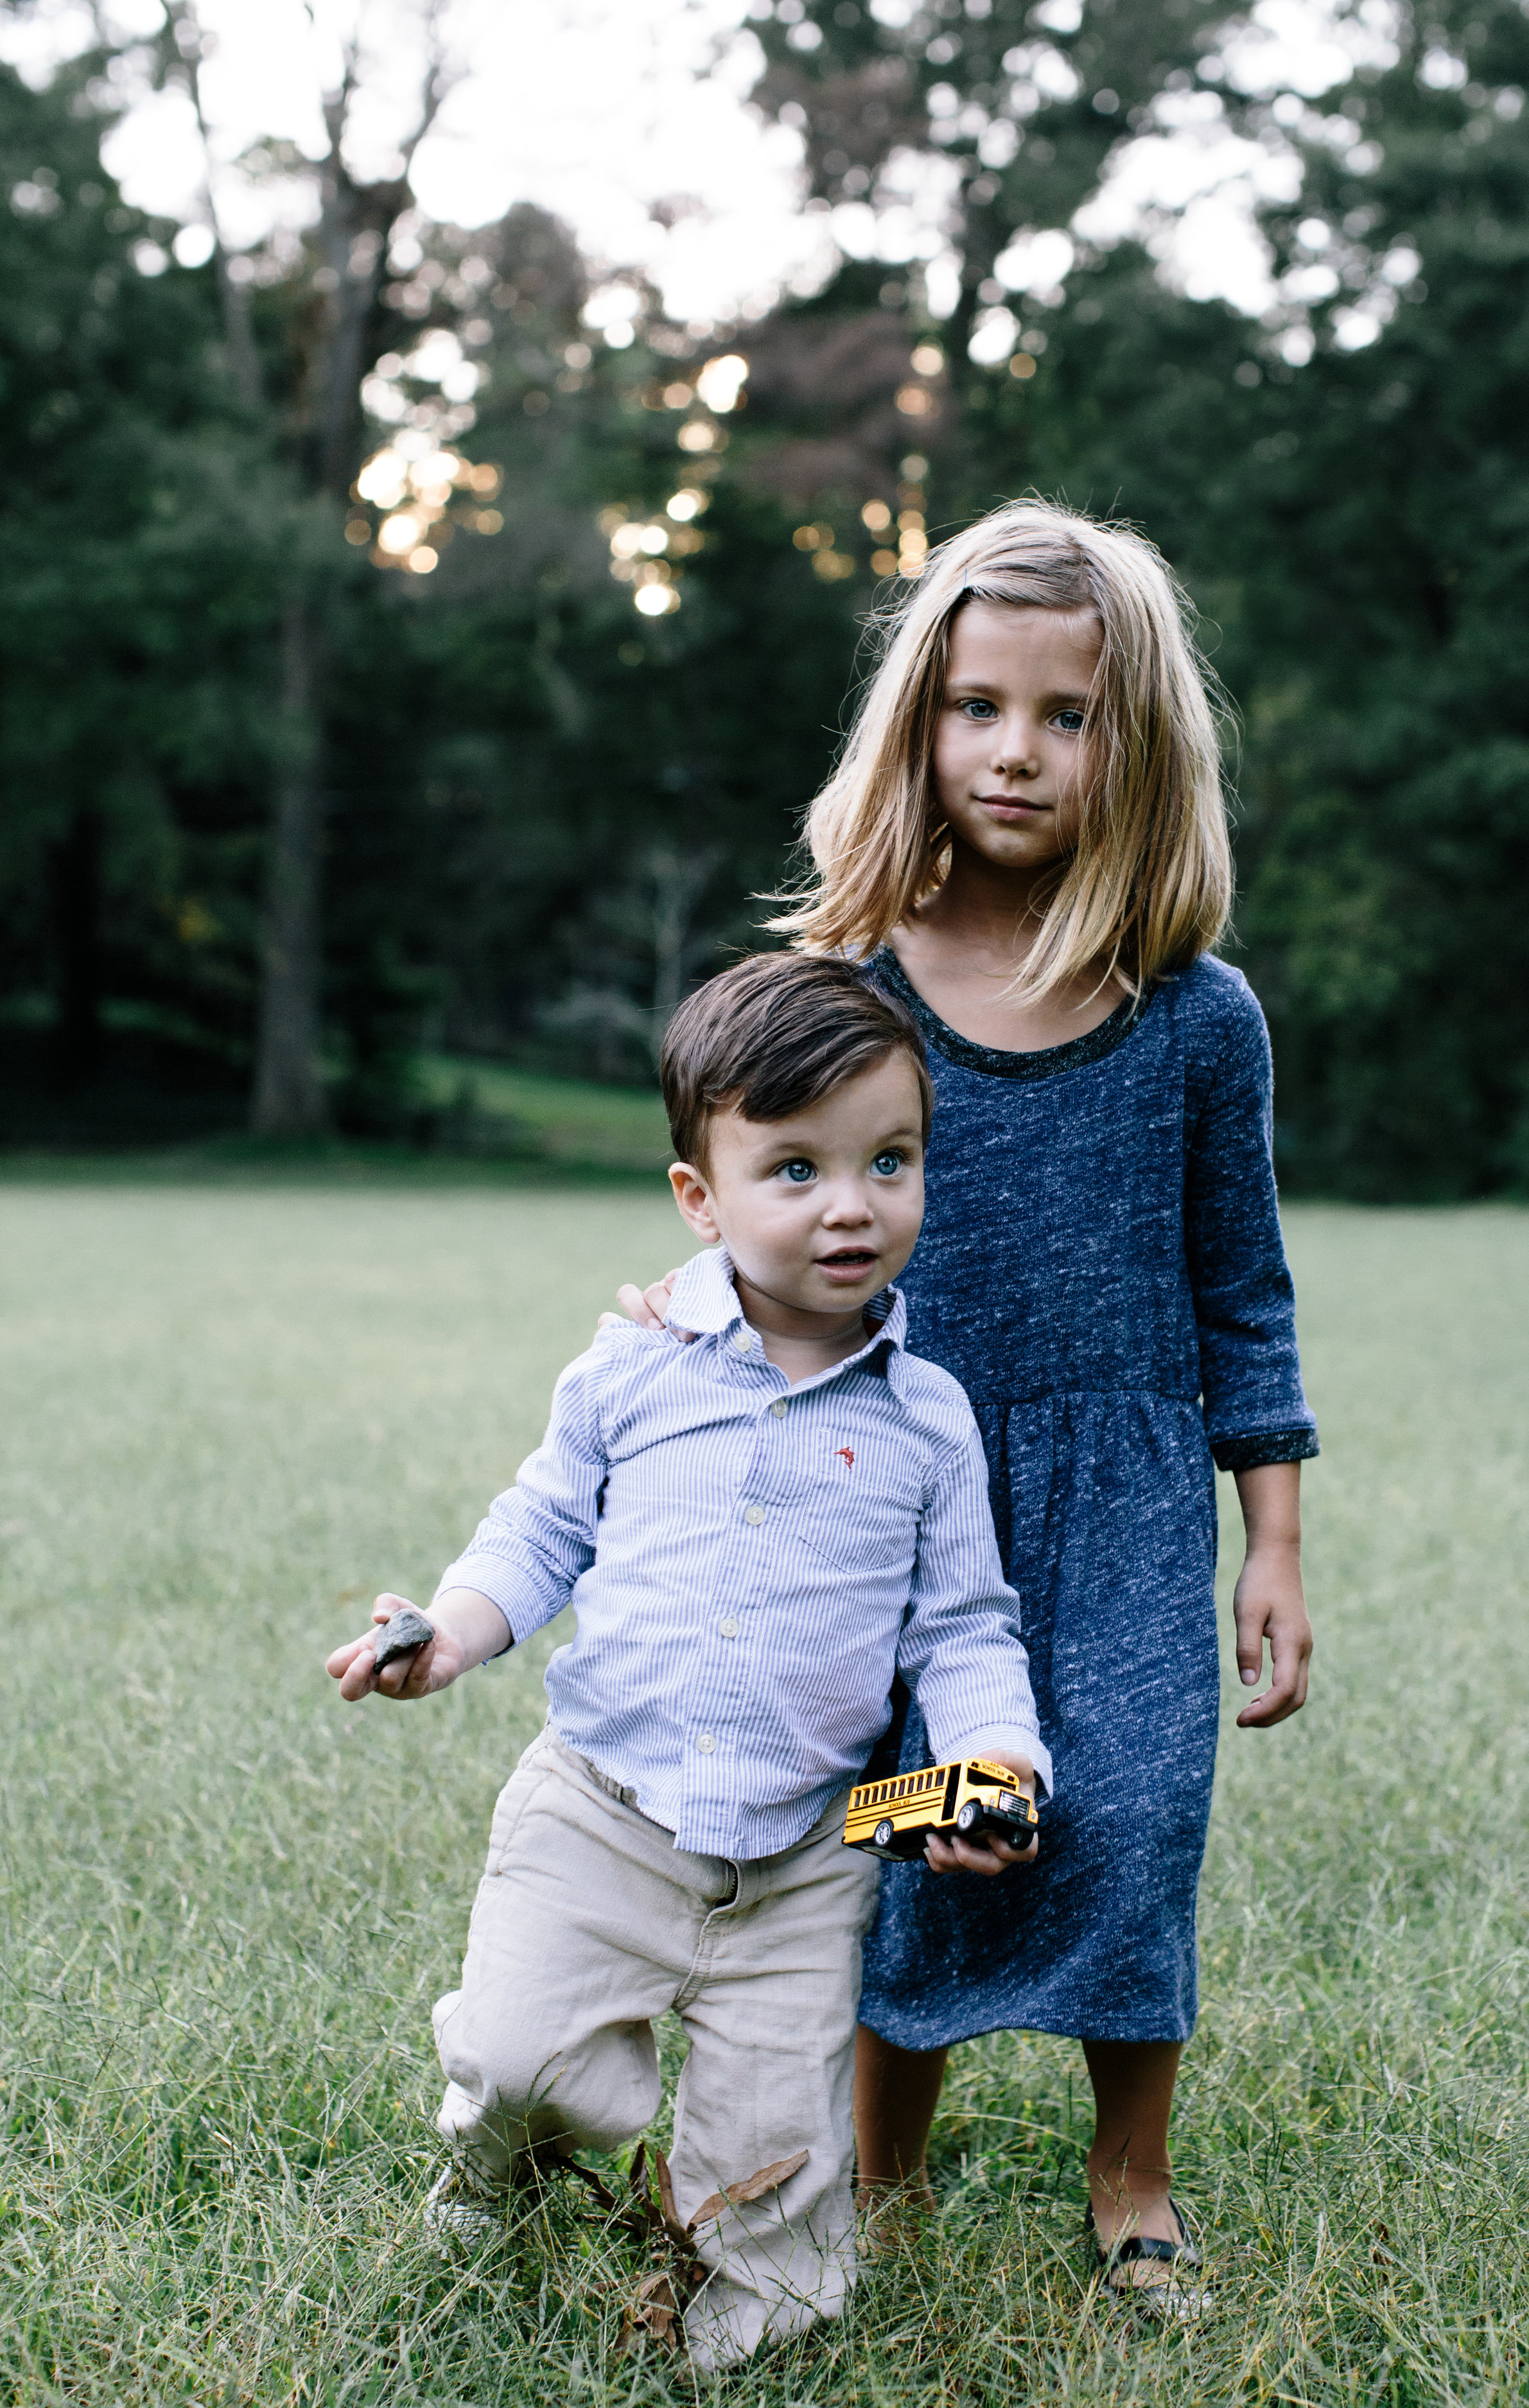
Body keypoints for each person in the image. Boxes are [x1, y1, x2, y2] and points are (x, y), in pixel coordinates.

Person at [613, 501, 1318, 2319]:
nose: (1015, 750)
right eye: (977, 706)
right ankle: (886, 2163)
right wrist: (681, 1322)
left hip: (1125, 1487)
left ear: (1135, 745)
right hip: (888, 1485)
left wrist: (1273, 1542)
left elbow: (1243, 1290)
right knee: (910, 1818)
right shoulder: (845, 991)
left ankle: (1130, 2167)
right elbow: (757, 1211)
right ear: (916, 721)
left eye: (1066, 715)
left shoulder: (1193, 1017)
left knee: (1136, 1811)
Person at [326, 952, 1047, 2369]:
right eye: (794, 1171)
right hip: (600, 1813)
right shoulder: (631, 1365)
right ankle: (491, 2172)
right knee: (528, 2067)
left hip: (802, 1861)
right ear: (697, 1201)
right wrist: (451, 1634)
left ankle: (744, 2315)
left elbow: (962, 1627)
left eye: (886, 1161)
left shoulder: (929, 1422)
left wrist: (998, 1754)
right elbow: (541, 1526)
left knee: (775, 2176)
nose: (850, 1205)